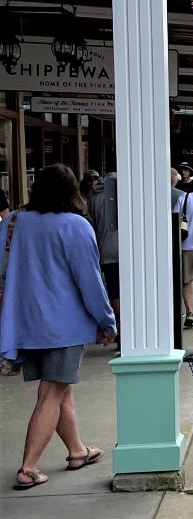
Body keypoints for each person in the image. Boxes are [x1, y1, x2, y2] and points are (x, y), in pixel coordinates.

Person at [0, 163, 116, 490]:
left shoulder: (13, 222)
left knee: (61, 389)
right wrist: (106, 320)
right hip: (64, 325)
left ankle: (77, 451)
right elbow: (90, 282)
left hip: (24, 323)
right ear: (72, 192)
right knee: (51, 392)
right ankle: (28, 468)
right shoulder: (74, 225)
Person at [89, 161, 122, 334]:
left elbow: (91, 225)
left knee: (114, 290)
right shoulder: (126, 192)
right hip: (128, 251)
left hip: (106, 250)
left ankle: (119, 325)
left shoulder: (94, 197)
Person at [178, 174, 193, 330]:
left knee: (187, 281)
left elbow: (175, 218)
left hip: (186, 244)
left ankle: (190, 312)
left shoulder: (184, 198)